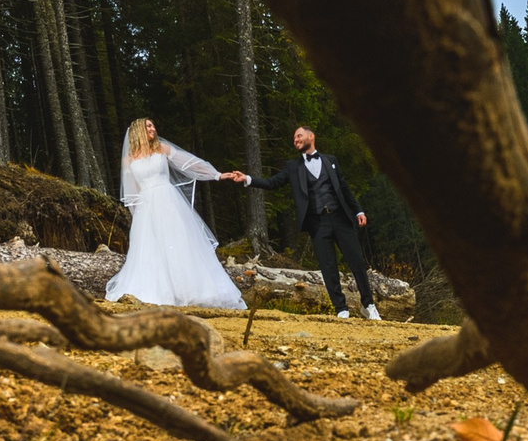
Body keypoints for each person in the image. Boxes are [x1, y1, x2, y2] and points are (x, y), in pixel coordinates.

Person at [102, 118, 250, 309]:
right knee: (151, 249)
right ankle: (159, 293)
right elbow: (133, 192)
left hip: (168, 201)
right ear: (138, 130)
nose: (153, 128)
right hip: (146, 207)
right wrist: (138, 216)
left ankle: (190, 292)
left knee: (179, 243)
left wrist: (217, 175)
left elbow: (190, 164)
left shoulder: (162, 149)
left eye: (153, 125)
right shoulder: (129, 160)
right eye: (148, 126)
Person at [248, 123, 378, 319]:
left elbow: (344, 188)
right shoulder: (293, 167)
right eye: (294, 138)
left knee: (357, 262)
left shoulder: (331, 161)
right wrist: (248, 180)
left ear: (311, 137)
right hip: (317, 223)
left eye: (299, 136)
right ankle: (341, 309)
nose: (296, 140)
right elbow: (272, 183)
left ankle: (368, 305)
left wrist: (358, 210)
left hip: (340, 218)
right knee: (328, 267)